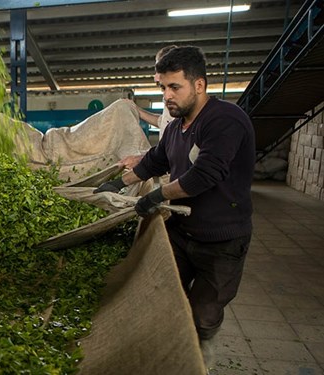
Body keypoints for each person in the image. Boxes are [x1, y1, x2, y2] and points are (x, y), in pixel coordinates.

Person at [94, 46, 255, 371]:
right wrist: (117, 184)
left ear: (199, 85)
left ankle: (199, 362)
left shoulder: (225, 121)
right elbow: (155, 161)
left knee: (202, 315)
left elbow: (205, 174)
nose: (167, 95)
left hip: (220, 240)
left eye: (174, 87)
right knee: (163, 298)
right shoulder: (174, 128)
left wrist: (156, 197)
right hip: (180, 234)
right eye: (162, 87)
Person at [119, 45, 177, 169]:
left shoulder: (182, 102)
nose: (155, 77)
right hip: (168, 171)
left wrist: (141, 159)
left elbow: (176, 147)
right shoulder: (169, 99)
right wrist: (136, 109)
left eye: (158, 70)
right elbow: (163, 122)